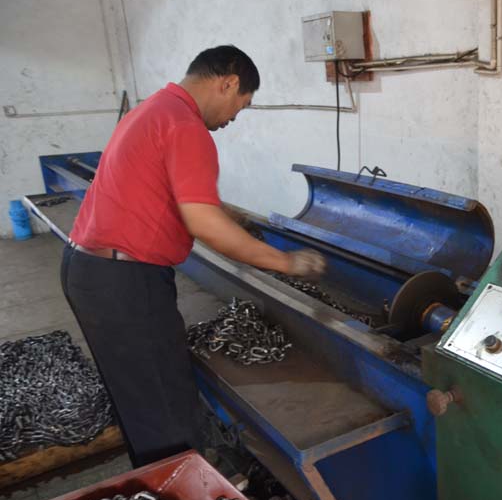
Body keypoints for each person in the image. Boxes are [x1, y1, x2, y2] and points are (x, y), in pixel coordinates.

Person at [60, 45, 325, 467]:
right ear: (229, 83)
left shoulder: (152, 111)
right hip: (125, 282)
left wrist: (231, 216)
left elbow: (167, 193)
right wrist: (287, 262)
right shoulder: (186, 126)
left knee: (140, 402)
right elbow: (202, 223)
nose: (235, 117)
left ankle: (156, 483)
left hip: (89, 269)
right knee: (167, 409)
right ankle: (186, 497)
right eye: (242, 105)